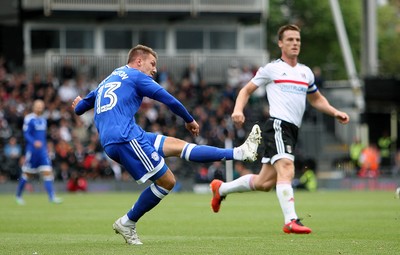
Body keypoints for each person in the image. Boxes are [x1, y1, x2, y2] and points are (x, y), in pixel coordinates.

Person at [71, 44, 262, 245]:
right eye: (152, 64)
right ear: (138, 61)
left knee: (178, 146)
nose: (154, 69)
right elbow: (168, 100)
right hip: (125, 138)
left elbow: (81, 107)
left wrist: (78, 104)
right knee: (167, 181)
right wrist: (189, 120)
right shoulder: (137, 76)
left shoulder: (109, 79)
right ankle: (128, 221)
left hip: (127, 134)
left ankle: (240, 152)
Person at [209, 24, 350, 234]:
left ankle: (221, 188)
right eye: (290, 39)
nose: (295, 43)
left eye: (298, 40)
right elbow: (246, 90)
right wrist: (238, 110)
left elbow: (317, 99)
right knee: (287, 168)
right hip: (277, 125)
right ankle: (291, 220)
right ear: (280, 43)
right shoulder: (271, 69)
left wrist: (334, 112)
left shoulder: (306, 73)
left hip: (292, 130)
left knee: (264, 182)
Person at [15, 99, 63, 205]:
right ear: (33, 107)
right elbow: (26, 134)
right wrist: (33, 142)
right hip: (32, 151)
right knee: (27, 174)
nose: (40, 108)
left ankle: (51, 197)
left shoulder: (43, 120)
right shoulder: (29, 118)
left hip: (42, 152)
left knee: (48, 172)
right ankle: (18, 195)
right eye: (38, 106)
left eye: (41, 106)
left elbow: (43, 137)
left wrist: (46, 147)